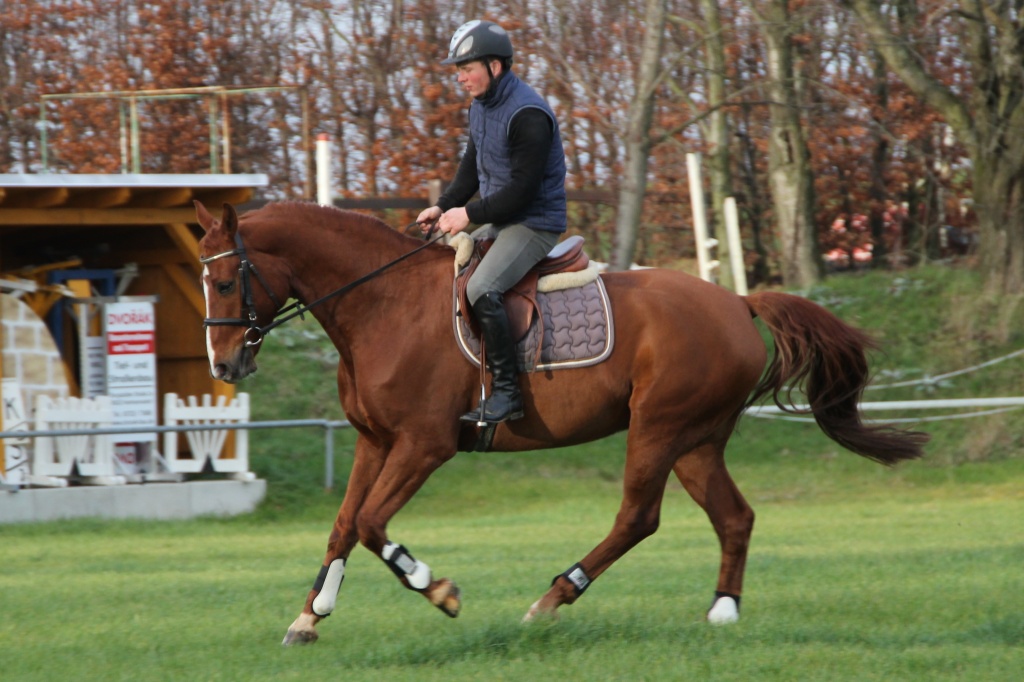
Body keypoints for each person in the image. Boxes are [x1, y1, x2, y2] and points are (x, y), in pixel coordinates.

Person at [417, 19, 568, 425]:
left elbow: (521, 193)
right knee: (443, 266)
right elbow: (472, 163)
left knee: (483, 287)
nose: (461, 77)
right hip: (503, 218)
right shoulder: (482, 105)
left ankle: (507, 394)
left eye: (467, 68)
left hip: (534, 222)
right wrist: (444, 205)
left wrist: (466, 215)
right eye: (458, 70)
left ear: (495, 67)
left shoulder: (529, 114)